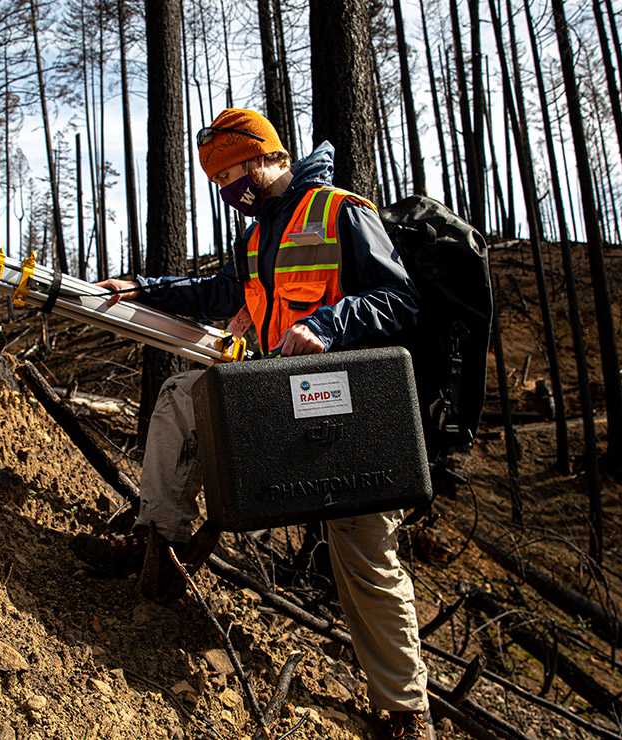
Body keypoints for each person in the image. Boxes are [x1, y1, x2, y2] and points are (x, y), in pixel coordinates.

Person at [70, 108, 435, 739]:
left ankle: (405, 710)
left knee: (364, 551)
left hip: (349, 405)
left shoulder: (340, 211)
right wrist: (142, 287)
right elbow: (216, 293)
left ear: (264, 158)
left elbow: (400, 302)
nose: (225, 189)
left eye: (230, 174)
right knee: (185, 395)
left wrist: (325, 325)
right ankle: (160, 540)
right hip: (278, 396)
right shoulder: (257, 236)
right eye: (216, 180)